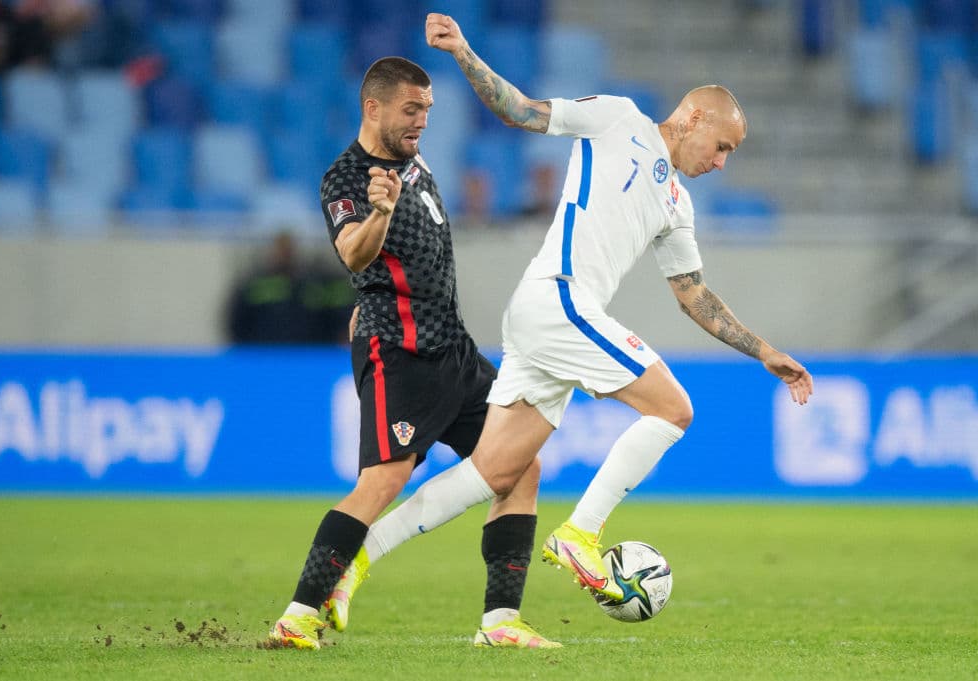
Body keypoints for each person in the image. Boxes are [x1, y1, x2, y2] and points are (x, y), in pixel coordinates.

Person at [328, 12, 815, 617]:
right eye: (722, 147)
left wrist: (765, 351)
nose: (721, 163)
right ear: (693, 118)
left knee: (493, 472)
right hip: (558, 298)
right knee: (674, 408)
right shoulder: (617, 119)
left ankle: (358, 562)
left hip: (551, 318)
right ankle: (581, 533)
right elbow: (521, 111)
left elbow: (693, 294)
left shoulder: (675, 202)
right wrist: (463, 52)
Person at [267, 56, 557, 650]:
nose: (422, 120)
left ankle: (500, 622)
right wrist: (380, 210)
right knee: (384, 479)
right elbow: (353, 255)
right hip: (400, 348)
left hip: (452, 345)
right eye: (411, 109)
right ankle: (298, 614)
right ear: (372, 107)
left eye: (426, 109)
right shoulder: (347, 177)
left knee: (521, 466)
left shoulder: (414, 161)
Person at [226, 231, 354, 345]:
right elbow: (237, 320)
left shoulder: (315, 284)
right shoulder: (254, 284)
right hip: (264, 355)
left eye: (288, 250)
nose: (284, 254)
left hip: (310, 354)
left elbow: (332, 318)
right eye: (281, 250)